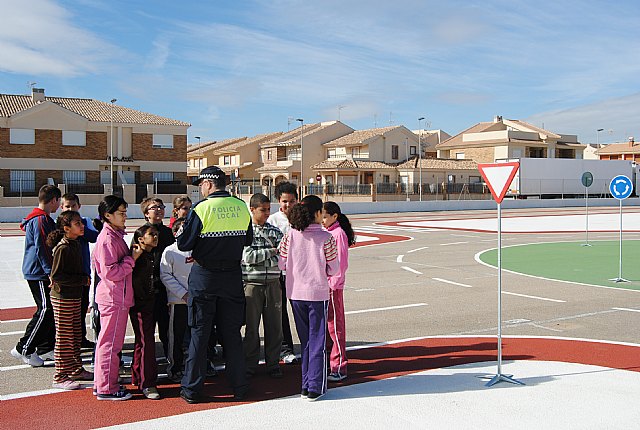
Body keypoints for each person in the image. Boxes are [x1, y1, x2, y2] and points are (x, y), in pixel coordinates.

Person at [177, 166, 252, 404]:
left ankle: (192, 390)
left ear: (209, 184)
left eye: (201, 185)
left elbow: (184, 243)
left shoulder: (202, 208)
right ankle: (240, 386)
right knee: (231, 334)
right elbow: (248, 239)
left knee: (199, 333)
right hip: (232, 276)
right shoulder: (241, 206)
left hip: (205, 275)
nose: (200, 189)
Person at [278, 195, 339, 401]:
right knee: (318, 342)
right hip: (317, 293)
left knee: (305, 341)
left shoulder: (290, 235)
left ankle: (305, 385)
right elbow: (334, 267)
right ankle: (315, 386)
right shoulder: (326, 238)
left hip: (295, 293)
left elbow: (281, 263)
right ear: (316, 213)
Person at [93, 195, 143, 401]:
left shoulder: (114, 236)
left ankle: (104, 382)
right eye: (121, 213)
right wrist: (132, 259)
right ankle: (106, 387)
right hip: (113, 298)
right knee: (110, 344)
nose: (125, 217)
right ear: (107, 215)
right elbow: (111, 272)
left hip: (117, 297)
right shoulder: (107, 239)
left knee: (111, 343)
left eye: (125, 212)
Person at [11, 184, 61, 367]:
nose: (59, 206)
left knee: (51, 309)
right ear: (53, 200)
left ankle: (45, 347)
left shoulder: (43, 218)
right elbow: (43, 248)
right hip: (38, 272)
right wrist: (50, 273)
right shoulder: (40, 220)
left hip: (40, 271)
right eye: (58, 202)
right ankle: (24, 348)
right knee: (46, 309)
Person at [47, 210, 94, 390]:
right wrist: (82, 280)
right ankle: (60, 376)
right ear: (66, 228)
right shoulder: (63, 247)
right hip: (63, 297)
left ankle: (75, 369)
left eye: (81, 223)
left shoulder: (75, 243)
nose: (82, 226)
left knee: (75, 335)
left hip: (74, 295)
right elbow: (57, 276)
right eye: (77, 224)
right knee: (64, 337)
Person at [242, 193, 284, 379]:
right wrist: (272, 252)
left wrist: (265, 256)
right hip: (251, 284)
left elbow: (283, 257)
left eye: (268, 209)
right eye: (263, 210)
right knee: (252, 328)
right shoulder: (244, 232)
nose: (267, 213)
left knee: (275, 327)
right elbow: (247, 257)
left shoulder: (275, 231)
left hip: (273, 283)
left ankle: (273, 363)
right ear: (252, 209)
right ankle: (250, 364)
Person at [322, 201, 356, 382]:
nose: (322, 220)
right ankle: (331, 363)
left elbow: (340, 264)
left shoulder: (338, 234)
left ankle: (339, 366)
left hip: (333, 288)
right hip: (324, 287)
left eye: (325, 216)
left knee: (335, 328)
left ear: (335, 216)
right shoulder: (328, 233)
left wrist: (332, 285)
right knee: (327, 328)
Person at [59, 193, 99, 349]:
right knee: (67, 314)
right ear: (61, 207)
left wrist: (81, 226)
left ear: (79, 206)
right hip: (67, 276)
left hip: (83, 274)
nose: (70, 208)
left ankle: (80, 338)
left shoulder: (84, 222)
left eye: (73, 206)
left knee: (81, 308)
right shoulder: (59, 224)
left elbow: (94, 237)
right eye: (67, 206)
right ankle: (67, 344)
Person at [266, 181, 299, 364]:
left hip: (298, 274)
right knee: (280, 313)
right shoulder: (272, 220)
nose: (288, 205)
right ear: (278, 200)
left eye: (292, 201)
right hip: (278, 274)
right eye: (285, 201)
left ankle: (308, 345)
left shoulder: (302, 219)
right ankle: (285, 348)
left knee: (300, 310)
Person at [140, 197, 175, 360]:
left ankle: (172, 358)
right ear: (146, 213)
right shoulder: (141, 232)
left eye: (161, 207)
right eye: (155, 207)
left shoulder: (167, 232)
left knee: (167, 327)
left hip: (165, 285)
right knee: (146, 329)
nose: (159, 210)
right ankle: (144, 362)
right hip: (148, 287)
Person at [129, 224, 161, 400]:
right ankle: (147, 383)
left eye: (156, 234)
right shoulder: (137, 256)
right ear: (141, 239)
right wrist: (142, 298)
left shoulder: (149, 255)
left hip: (148, 302)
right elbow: (134, 280)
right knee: (146, 342)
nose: (155, 237)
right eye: (151, 235)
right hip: (141, 304)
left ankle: (138, 376)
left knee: (143, 341)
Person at [160, 217, 193, 382]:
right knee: (176, 337)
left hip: (198, 300)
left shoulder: (198, 249)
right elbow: (165, 275)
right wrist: (183, 293)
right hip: (178, 302)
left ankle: (199, 364)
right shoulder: (169, 251)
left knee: (198, 335)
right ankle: (174, 367)